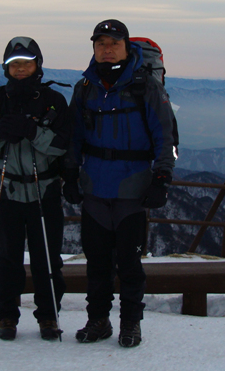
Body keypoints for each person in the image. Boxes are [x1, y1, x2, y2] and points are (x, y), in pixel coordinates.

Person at [63, 19, 179, 348]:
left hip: (132, 188)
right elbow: (74, 136)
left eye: (113, 42)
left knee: (129, 262)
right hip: (95, 188)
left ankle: (131, 323)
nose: (107, 48)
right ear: (94, 49)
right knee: (97, 262)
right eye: (100, 43)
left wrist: (162, 176)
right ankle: (98, 321)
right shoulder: (84, 88)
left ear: (126, 46)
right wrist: (69, 173)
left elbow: (163, 135)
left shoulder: (145, 86)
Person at [0, 36, 71, 341]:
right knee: (6, 258)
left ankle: (48, 316)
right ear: (6, 68)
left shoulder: (54, 101)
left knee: (48, 258)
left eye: (26, 62)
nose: (21, 69)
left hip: (45, 190)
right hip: (8, 189)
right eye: (15, 64)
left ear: (38, 64)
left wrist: (32, 131)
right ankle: (7, 316)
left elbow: (62, 146)